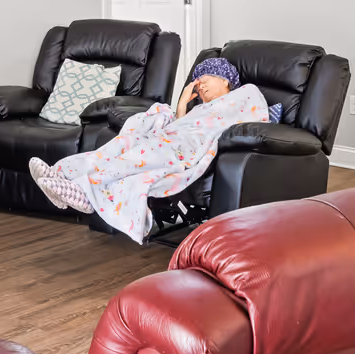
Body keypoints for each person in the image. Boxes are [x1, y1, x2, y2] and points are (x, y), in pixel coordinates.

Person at [29, 57, 274, 243]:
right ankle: (62, 173)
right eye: (196, 83)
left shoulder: (245, 94)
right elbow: (181, 125)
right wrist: (181, 105)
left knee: (137, 155)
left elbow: (254, 119)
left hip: (181, 149)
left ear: (225, 79)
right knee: (121, 146)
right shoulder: (199, 109)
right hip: (171, 139)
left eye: (205, 79)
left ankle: (85, 189)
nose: (199, 86)